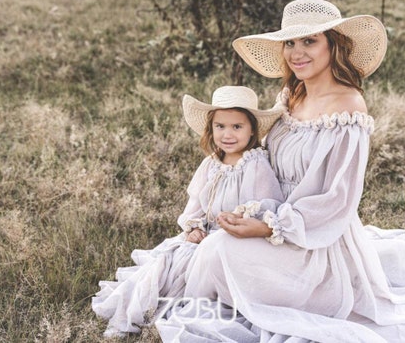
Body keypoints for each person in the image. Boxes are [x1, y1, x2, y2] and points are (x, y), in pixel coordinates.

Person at [156, 0, 405, 342]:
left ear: (333, 45)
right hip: (272, 217)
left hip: (315, 241)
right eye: (290, 43)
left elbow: (337, 199)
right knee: (207, 245)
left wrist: (268, 227)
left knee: (218, 251)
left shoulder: (347, 108)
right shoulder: (293, 93)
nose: (297, 53)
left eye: (309, 41)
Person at [92, 85, 285, 337]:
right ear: (211, 128)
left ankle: (200, 306)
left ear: (251, 131)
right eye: (220, 126)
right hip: (207, 235)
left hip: (237, 240)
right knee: (167, 264)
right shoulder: (211, 164)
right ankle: (148, 312)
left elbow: (268, 206)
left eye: (237, 127)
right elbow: (195, 207)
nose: (227, 134)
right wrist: (194, 227)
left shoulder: (255, 165)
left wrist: (243, 220)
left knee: (200, 266)